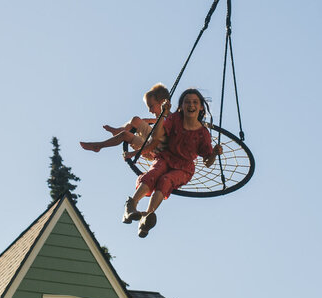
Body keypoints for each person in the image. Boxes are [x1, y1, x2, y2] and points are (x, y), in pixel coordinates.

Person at [123, 88, 222, 238]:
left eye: (195, 102)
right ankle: (131, 205)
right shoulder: (175, 118)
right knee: (154, 173)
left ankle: (147, 217)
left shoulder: (203, 134)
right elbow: (156, 136)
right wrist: (163, 114)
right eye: (187, 102)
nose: (191, 105)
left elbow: (207, 162)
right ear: (181, 106)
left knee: (166, 180)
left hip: (184, 168)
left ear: (201, 107)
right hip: (166, 157)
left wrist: (214, 153)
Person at [80, 83, 170, 158]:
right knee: (127, 130)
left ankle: (107, 139)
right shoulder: (160, 119)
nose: (149, 110)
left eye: (151, 106)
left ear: (162, 103)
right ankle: (100, 144)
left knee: (138, 124)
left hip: (156, 149)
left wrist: (135, 153)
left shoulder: (170, 118)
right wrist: (148, 120)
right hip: (150, 144)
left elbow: (159, 137)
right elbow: (152, 122)